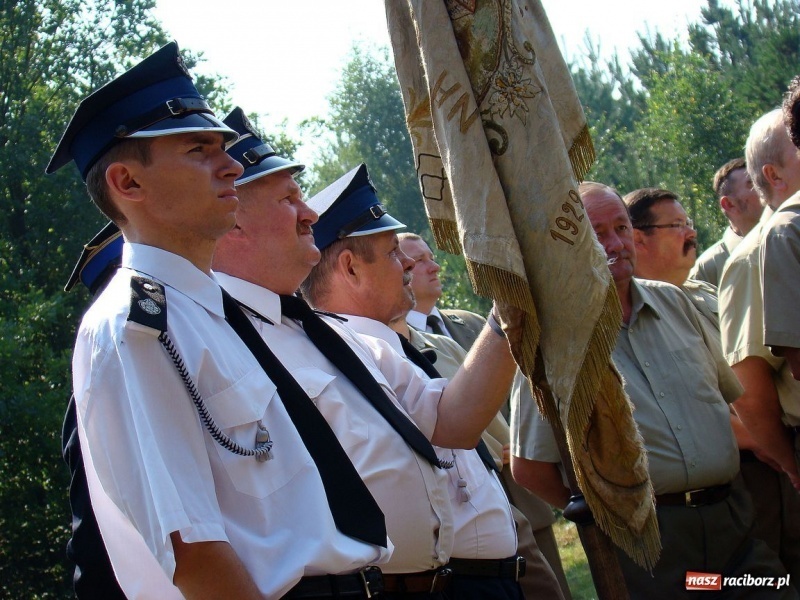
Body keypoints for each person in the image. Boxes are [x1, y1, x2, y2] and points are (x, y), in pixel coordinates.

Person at [49, 45, 391, 600]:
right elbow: (193, 552)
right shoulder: (136, 328)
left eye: (223, 147)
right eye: (199, 149)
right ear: (128, 184)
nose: (231, 164)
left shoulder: (209, 312)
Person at [213, 119, 519, 597]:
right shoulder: (212, 339)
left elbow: (451, 422)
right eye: (288, 200)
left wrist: (512, 312)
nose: (308, 214)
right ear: (232, 223)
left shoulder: (335, 334)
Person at [510, 181, 795, 600]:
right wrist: (611, 515)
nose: (615, 243)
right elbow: (528, 467)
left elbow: (730, 401)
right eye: (597, 233)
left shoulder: (676, 303)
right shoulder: (554, 342)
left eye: (621, 228)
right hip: (654, 548)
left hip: (732, 525)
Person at [299, 169, 557, 599]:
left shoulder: (382, 344)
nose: (406, 267)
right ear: (350, 268)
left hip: (490, 570)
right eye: (391, 254)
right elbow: (455, 422)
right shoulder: (353, 348)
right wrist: (508, 307)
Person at [398, 232, 573, 600]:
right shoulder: (392, 346)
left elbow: (512, 387)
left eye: (431, 256)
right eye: (415, 262)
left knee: (546, 579)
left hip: (511, 470)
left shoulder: (462, 326)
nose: (432, 266)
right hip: (465, 487)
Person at [689, 158, 762, 287]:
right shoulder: (707, 269)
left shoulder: (788, 242)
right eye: (752, 183)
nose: (764, 187)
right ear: (729, 204)